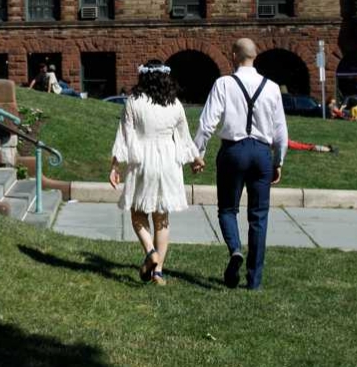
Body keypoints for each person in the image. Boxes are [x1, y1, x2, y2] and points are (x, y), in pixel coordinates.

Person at [191, 38, 288, 290]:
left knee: (227, 209)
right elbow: (280, 133)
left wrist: (197, 152)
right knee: (259, 216)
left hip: (233, 151)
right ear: (255, 56)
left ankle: (235, 249)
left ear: (234, 55)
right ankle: (254, 280)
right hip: (261, 153)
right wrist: (278, 161)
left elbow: (207, 122)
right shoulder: (272, 87)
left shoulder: (224, 84)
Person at [108, 60, 199, 286]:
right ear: (165, 78)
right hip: (168, 163)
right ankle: (158, 272)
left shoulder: (133, 102)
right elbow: (184, 136)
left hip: (143, 162)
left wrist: (115, 166)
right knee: (162, 218)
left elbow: (124, 135)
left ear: (143, 77)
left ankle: (150, 253)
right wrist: (195, 159)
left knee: (138, 213)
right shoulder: (175, 104)